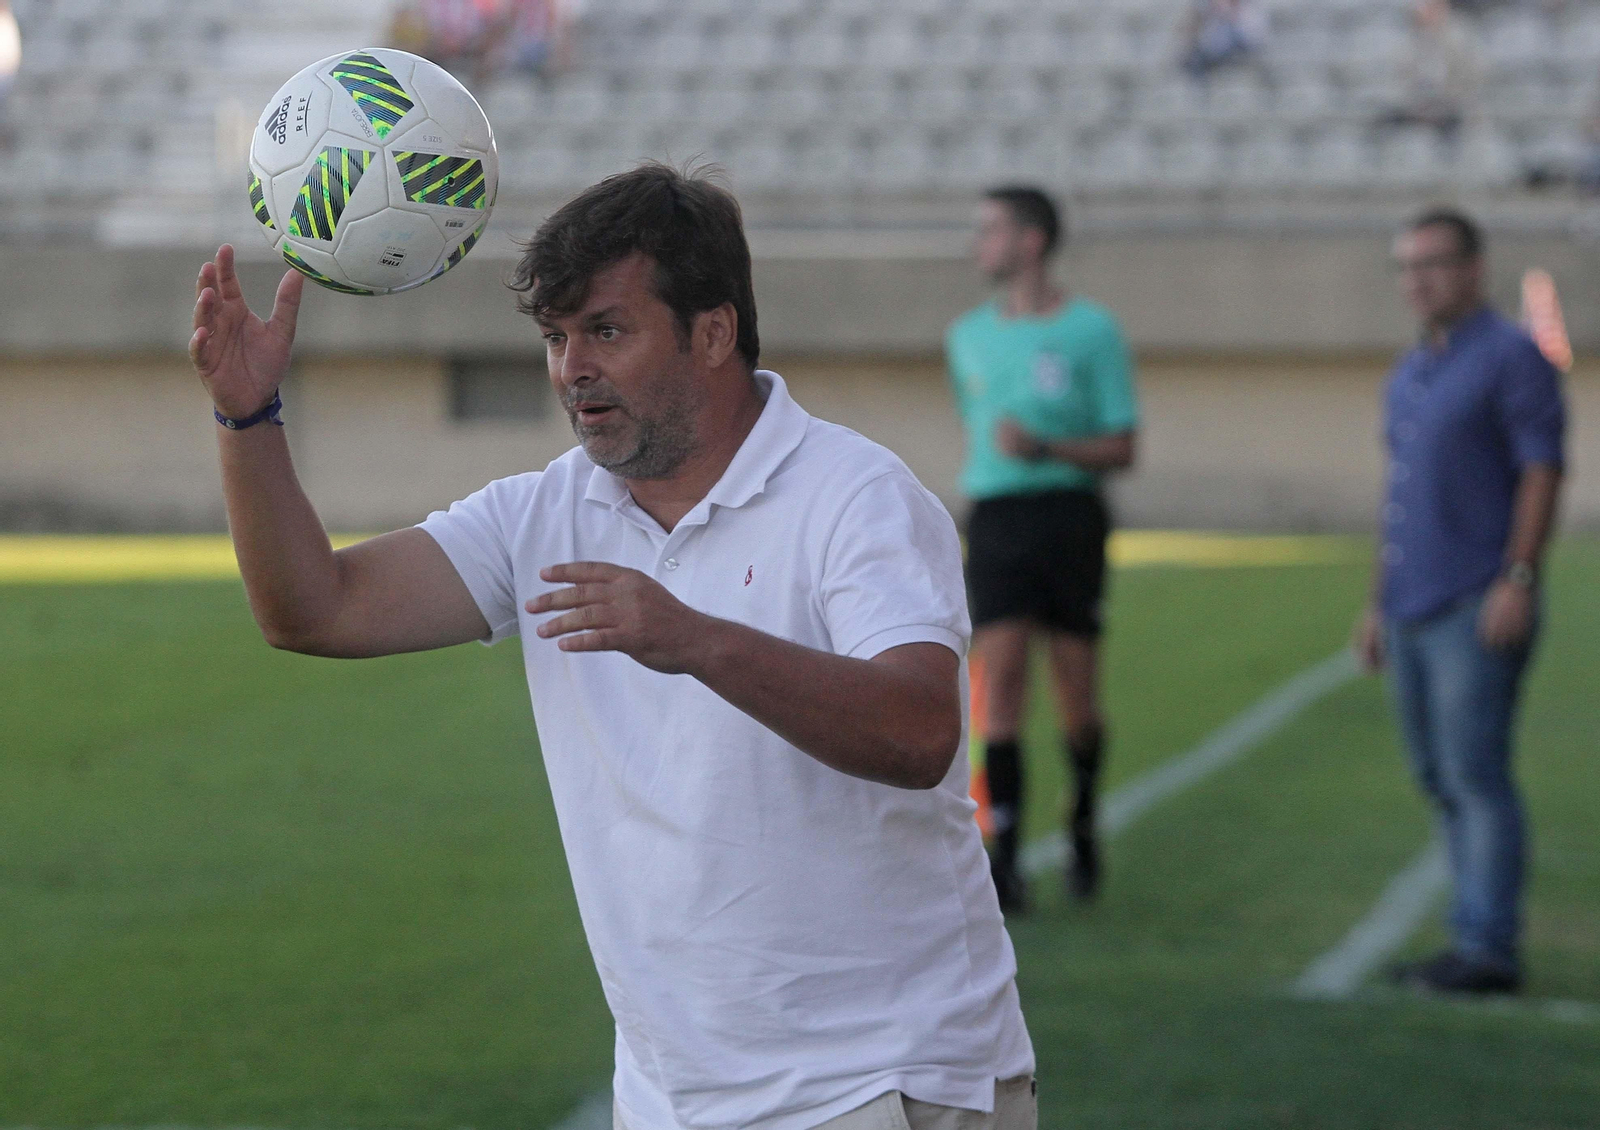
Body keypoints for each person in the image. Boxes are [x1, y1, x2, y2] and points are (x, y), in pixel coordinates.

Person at [188, 164, 1036, 1130]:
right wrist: (246, 416)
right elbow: (316, 612)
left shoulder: (855, 496)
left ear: (712, 332)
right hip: (671, 1098)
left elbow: (920, 731)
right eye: (555, 337)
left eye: (606, 330)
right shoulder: (545, 511)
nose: (570, 368)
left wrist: (694, 638)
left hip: (883, 1082)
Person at [1352, 209, 1565, 995]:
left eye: (1432, 263)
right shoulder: (1409, 372)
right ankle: (1472, 931)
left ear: (1473, 268)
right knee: (1438, 775)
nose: (1417, 279)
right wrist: (1375, 603)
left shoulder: (1513, 358)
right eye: (1406, 266)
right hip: (1411, 600)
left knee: (1476, 774)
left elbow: (1542, 470)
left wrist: (1518, 578)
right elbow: (1400, 498)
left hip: (1476, 599)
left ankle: (1487, 947)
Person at [946, 187, 1139, 912]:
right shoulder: (966, 335)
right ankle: (1005, 859)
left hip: (1069, 515)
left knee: (1076, 696)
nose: (978, 244)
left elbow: (1123, 446)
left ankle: (1084, 817)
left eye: (989, 229)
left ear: (1031, 241)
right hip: (996, 518)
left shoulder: (1093, 331)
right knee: (998, 687)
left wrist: (1047, 446)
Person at [1375, 0, 1483, 142]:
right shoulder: (1406, 41)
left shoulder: (1460, 39)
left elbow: (1471, 78)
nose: (1424, 11)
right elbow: (1399, 78)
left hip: (1452, 108)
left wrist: (1447, 100)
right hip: (1413, 107)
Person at [1179, 0, 1268, 81]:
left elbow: (1254, 38)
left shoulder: (1249, 11)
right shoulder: (1209, 10)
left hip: (1240, 46)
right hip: (1214, 49)